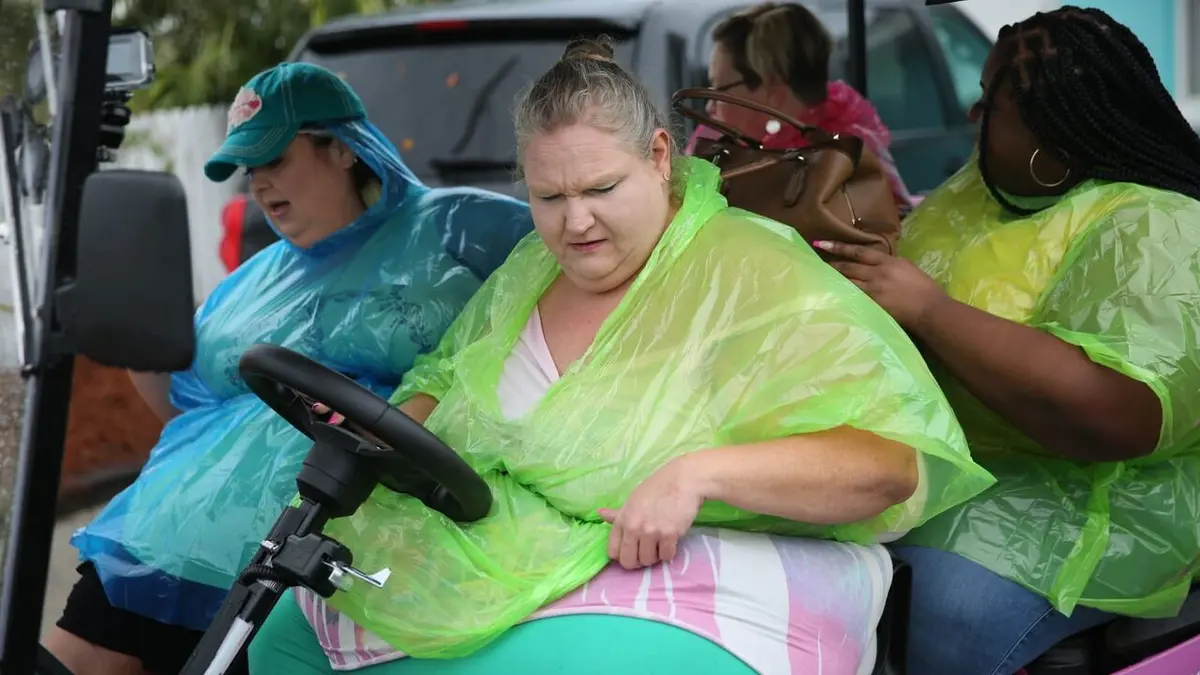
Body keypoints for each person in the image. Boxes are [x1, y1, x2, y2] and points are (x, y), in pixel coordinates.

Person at [245, 37, 995, 675]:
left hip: (705, 567)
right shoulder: (532, 270)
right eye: (548, 197)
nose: (575, 223)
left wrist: (696, 474)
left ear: (661, 157)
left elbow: (886, 463)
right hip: (520, 549)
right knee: (281, 629)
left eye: (602, 188)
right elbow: (446, 377)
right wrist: (382, 430)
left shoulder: (748, 269)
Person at [43, 62, 534, 675]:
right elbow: (184, 400)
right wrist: (134, 330)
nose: (261, 187)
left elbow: (563, 307)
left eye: (276, 161)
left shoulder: (462, 229)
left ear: (343, 149)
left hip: (326, 561)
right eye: (251, 173)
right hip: (165, 543)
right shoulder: (250, 280)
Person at [817, 7, 1200, 675]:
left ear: (1055, 139)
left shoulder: (1154, 225)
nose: (973, 112)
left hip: (1078, 511)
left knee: (944, 610)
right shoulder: (985, 189)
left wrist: (931, 312)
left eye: (990, 100)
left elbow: (1118, 411)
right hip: (950, 469)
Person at [693, 2, 914, 212]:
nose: (711, 105)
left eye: (720, 89)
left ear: (773, 91)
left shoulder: (845, 161)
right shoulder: (721, 152)